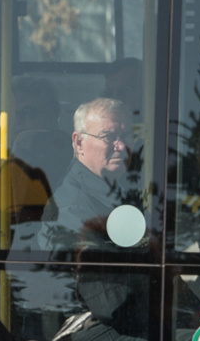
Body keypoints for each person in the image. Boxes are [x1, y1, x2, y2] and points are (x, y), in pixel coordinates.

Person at [39, 96, 140, 252]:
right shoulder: (72, 210)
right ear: (79, 142)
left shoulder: (122, 189)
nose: (121, 146)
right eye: (109, 137)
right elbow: (99, 272)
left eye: (127, 136)